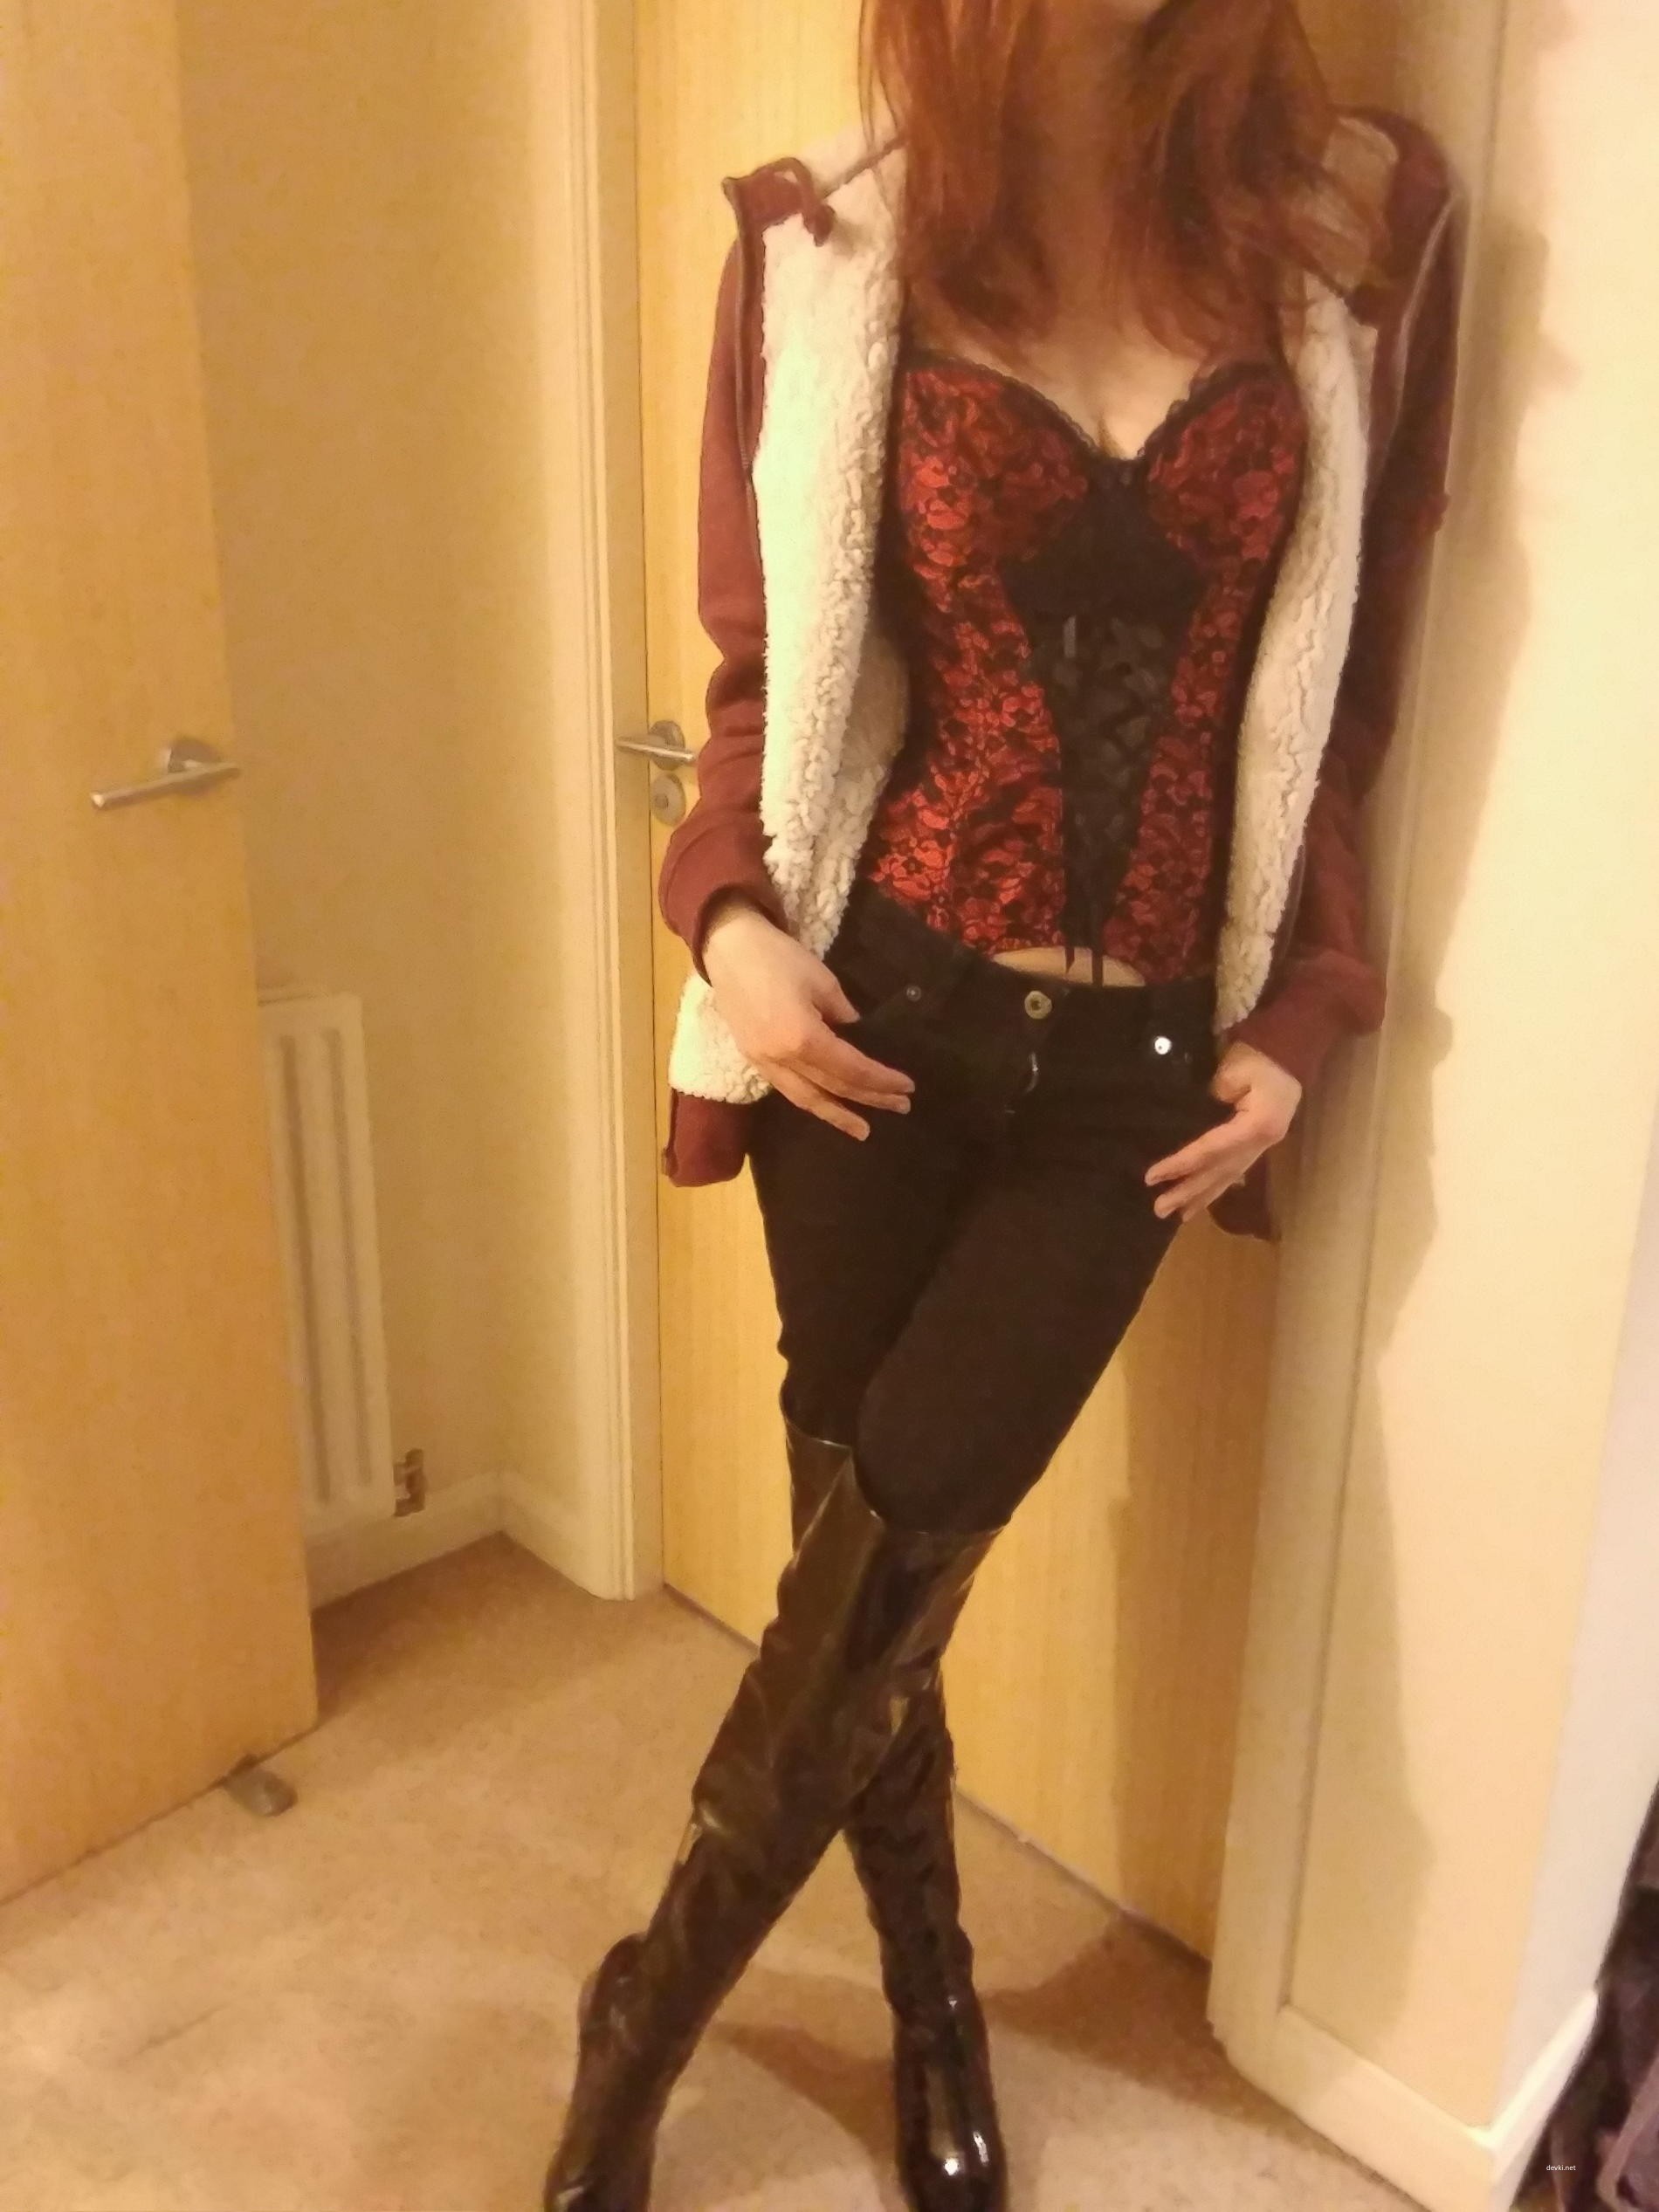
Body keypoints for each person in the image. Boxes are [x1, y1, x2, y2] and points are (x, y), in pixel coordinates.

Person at [545, 2, 1463, 2205]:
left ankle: (639, 2014)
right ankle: (932, 1995)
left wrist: (1305, 1010)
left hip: (1125, 1083)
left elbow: (1344, 697)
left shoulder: (1340, 237)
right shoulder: (827, 245)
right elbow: (762, 671)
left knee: (894, 1550)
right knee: (871, 1579)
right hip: (867, 1030)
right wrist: (725, 922)